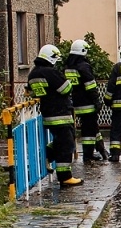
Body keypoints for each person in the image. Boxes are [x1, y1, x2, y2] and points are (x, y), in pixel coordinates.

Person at [28, 44, 82, 187]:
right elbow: (66, 89)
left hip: (48, 114)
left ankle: (48, 154)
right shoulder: (50, 72)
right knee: (67, 144)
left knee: (61, 140)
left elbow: (32, 93)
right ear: (51, 58)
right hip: (61, 114)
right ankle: (65, 177)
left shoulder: (33, 74)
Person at [64, 40, 107, 164]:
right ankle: (88, 156)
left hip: (74, 103)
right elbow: (90, 86)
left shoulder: (68, 67)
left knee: (93, 128)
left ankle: (101, 149)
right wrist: (97, 101)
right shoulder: (84, 66)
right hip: (87, 104)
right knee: (89, 132)